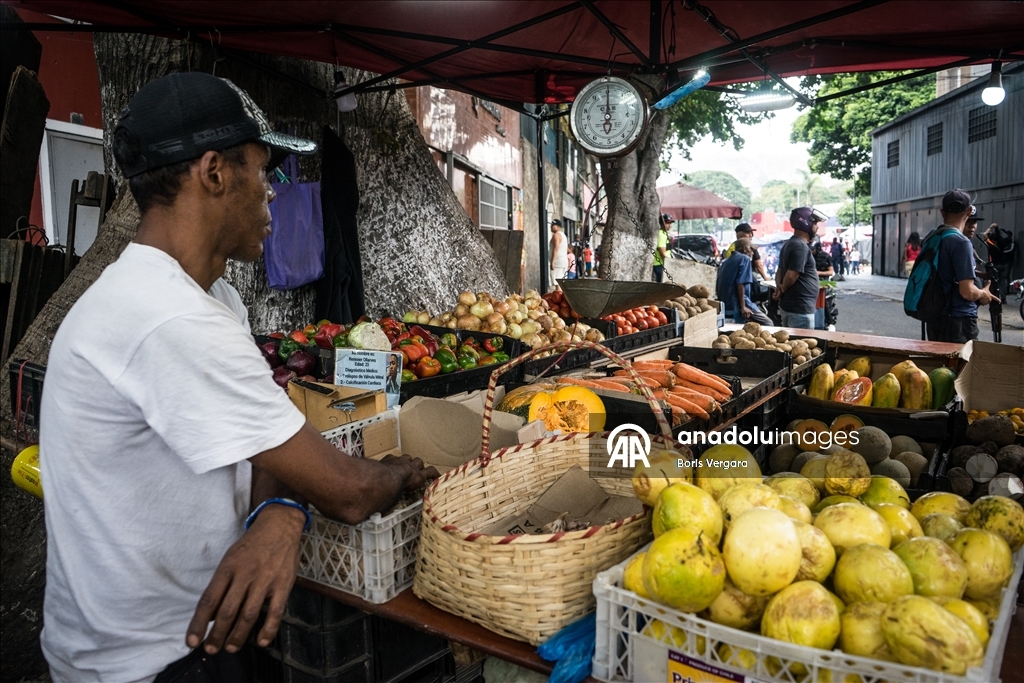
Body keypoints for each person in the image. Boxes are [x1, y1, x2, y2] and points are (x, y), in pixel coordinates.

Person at [38, 72, 437, 682]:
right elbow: (350, 492)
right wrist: (404, 473)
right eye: (264, 170)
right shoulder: (166, 317)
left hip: (200, 631)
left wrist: (277, 513)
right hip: (149, 663)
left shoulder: (209, 296)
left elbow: (264, 434)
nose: (274, 191)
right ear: (214, 172)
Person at [926, 189, 999, 343]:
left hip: (935, 316)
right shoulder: (961, 242)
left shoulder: (933, 236)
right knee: (960, 366)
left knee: (940, 365)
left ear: (942, 212)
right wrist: (983, 294)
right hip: (958, 319)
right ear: (968, 212)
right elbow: (967, 292)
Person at [773, 207, 827, 330]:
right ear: (805, 223)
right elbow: (792, 274)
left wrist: (779, 288)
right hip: (799, 310)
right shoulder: (800, 246)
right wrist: (782, 289)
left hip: (792, 308)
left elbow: (780, 271)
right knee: (802, 345)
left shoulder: (789, 244)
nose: (817, 227)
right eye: (815, 223)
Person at [717, 238, 772, 325]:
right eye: (751, 249)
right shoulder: (744, 259)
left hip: (726, 303)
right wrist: (743, 307)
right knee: (768, 323)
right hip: (738, 303)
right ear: (745, 249)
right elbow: (740, 283)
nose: (753, 253)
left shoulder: (726, 261)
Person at [549, 218, 567, 289]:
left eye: (553, 225)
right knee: (561, 283)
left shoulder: (556, 235)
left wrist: (552, 262)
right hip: (563, 261)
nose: (551, 226)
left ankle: (559, 299)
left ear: (558, 226)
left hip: (558, 262)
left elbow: (556, 248)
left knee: (557, 284)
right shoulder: (563, 235)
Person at [653, 213, 671, 282]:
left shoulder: (664, 233)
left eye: (670, 223)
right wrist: (670, 262)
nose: (669, 225)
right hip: (660, 264)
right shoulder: (661, 234)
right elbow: (662, 253)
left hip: (662, 263)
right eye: (667, 223)